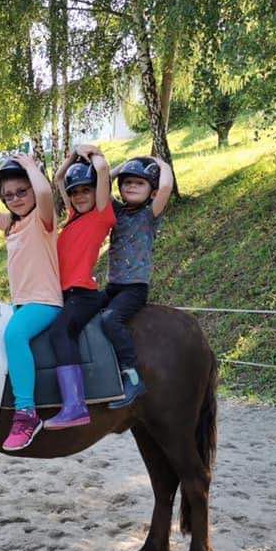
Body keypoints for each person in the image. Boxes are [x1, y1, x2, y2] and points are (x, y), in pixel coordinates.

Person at [0, 153, 61, 450]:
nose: (15, 199)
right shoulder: (11, 224)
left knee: (14, 335)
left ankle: (26, 412)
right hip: (22, 302)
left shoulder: (42, 219)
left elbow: (45, 193)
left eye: (21, 192)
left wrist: (30, 167)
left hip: (46, 300)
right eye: (9, 196)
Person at [43, 144, 115, 429]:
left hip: (82, 294)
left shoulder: (102, 214)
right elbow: (59, 179)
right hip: (61, 294)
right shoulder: (73, 217)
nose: (80, 195)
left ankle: (75, 405)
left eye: (86, 190)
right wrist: (73, 154)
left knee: (61, 332)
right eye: (75, 192)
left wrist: (92, 153)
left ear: (97, 191)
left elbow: (103, 169)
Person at [101, 155, 173, 408]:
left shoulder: (150, 214)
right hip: (113, 285)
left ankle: (132, 375)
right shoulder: (117, 211)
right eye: (127, 182)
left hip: (134, 288)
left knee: (111, 320)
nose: (131, 186)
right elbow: (101, 183)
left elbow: (166, 186)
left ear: (151, 192)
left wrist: (160, 163)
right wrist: (121, 167)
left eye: (139, 183)